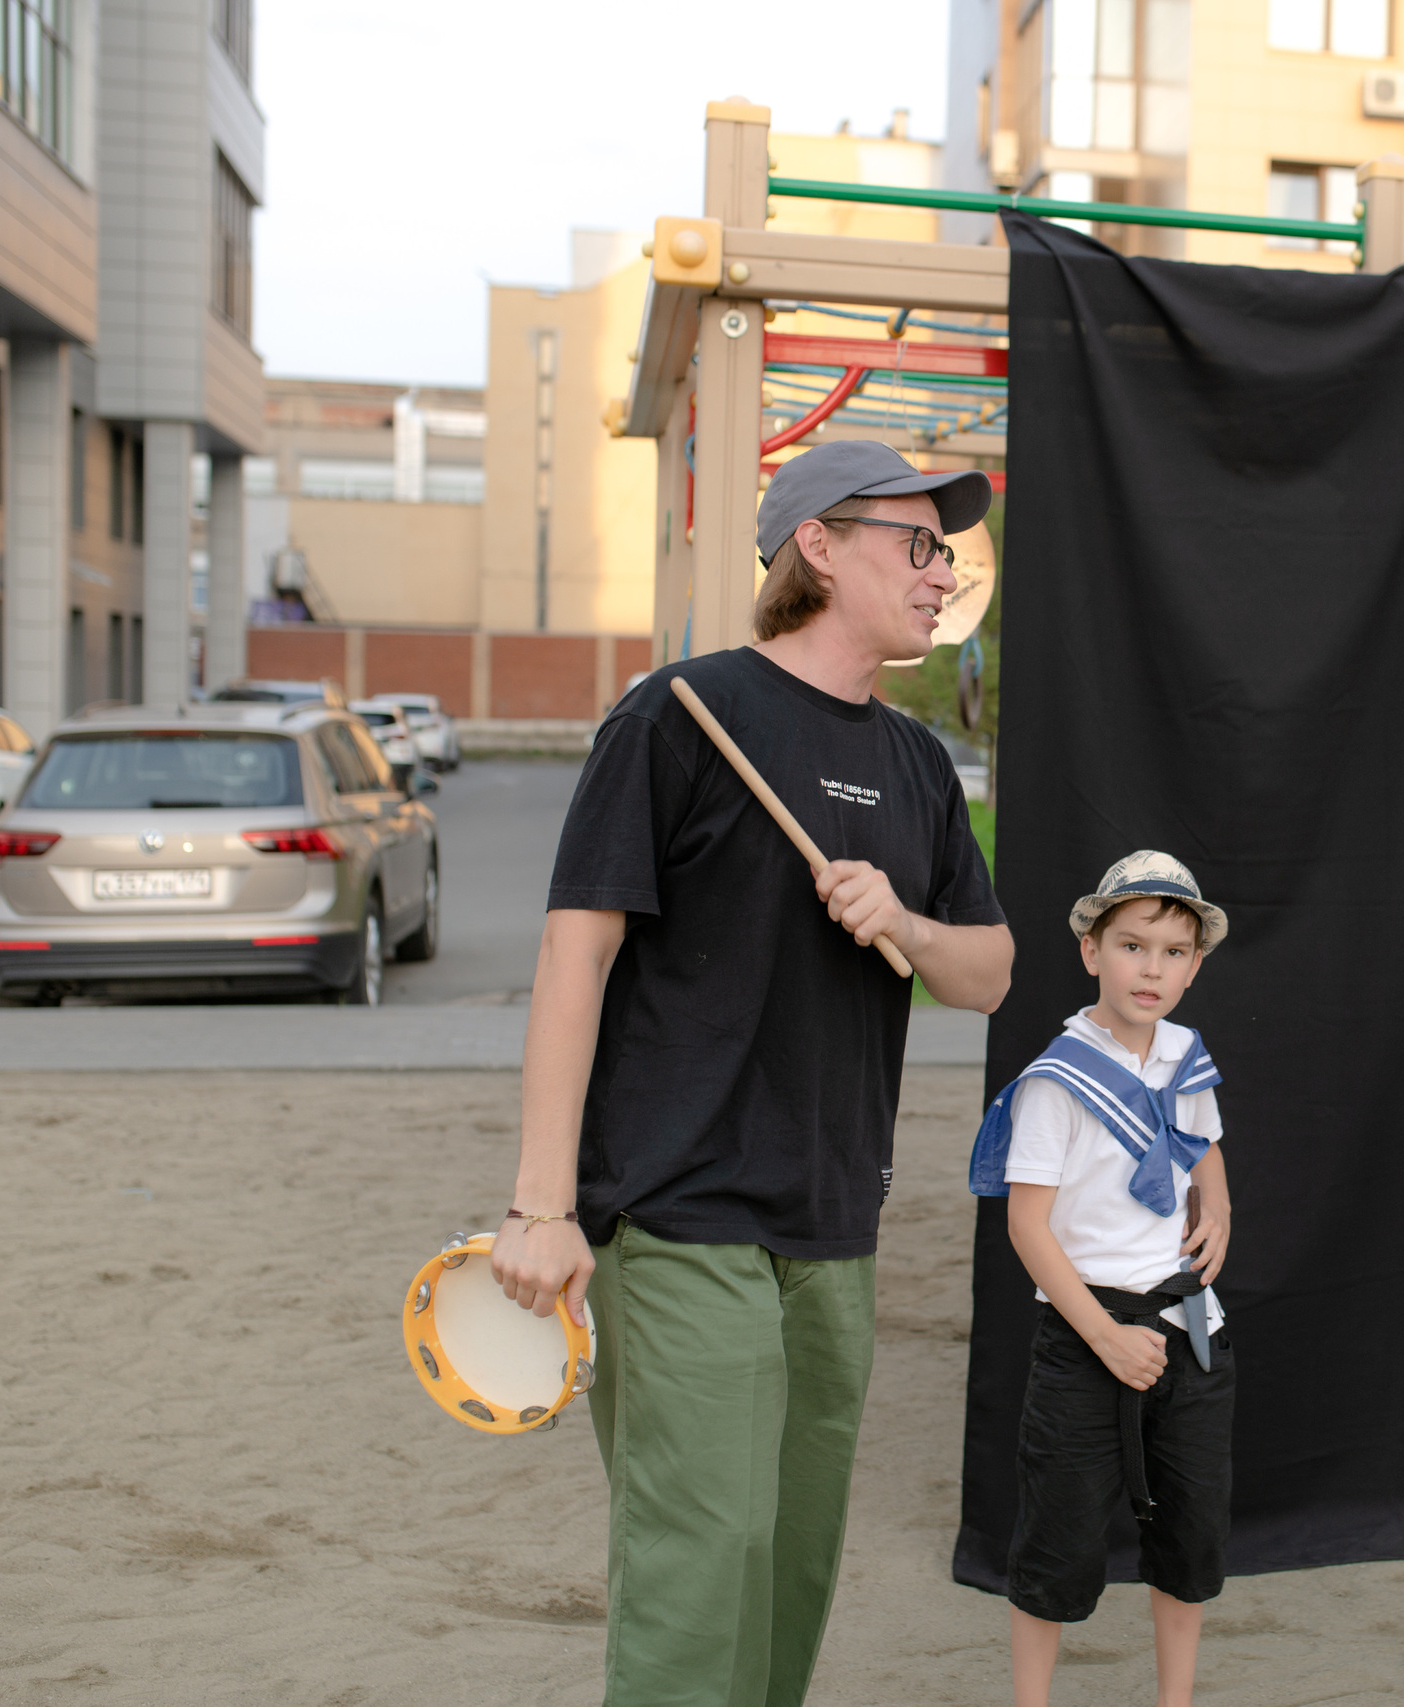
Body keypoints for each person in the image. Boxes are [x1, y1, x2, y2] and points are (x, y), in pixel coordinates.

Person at [489, 439, 1016, 1707]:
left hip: (835, 1221)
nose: (943, 574)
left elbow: (986, 974)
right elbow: (575, 961)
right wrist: (541, 1204)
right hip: (677, 1213)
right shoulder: (679, 715)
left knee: (789, 1565)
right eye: (918, 543)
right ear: (819, 546)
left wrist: (907, 921)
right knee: (702, 1555)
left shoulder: (916, 766)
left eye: (948, 551)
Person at [967, 852, 1237, 1707]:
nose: (1150, 967)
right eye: (1131, 944)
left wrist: (1218, 1205)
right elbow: (1025, 1224)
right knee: (1058, 1537)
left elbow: (1203, 1141)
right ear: (1091, 950)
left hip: (1190, 1326)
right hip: (1089, 1331)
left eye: (1172, 950)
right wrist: (1108, 1338)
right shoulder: (1058, 1079)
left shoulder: (1186, 1051)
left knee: (1190, 1534)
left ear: (1195, 965)